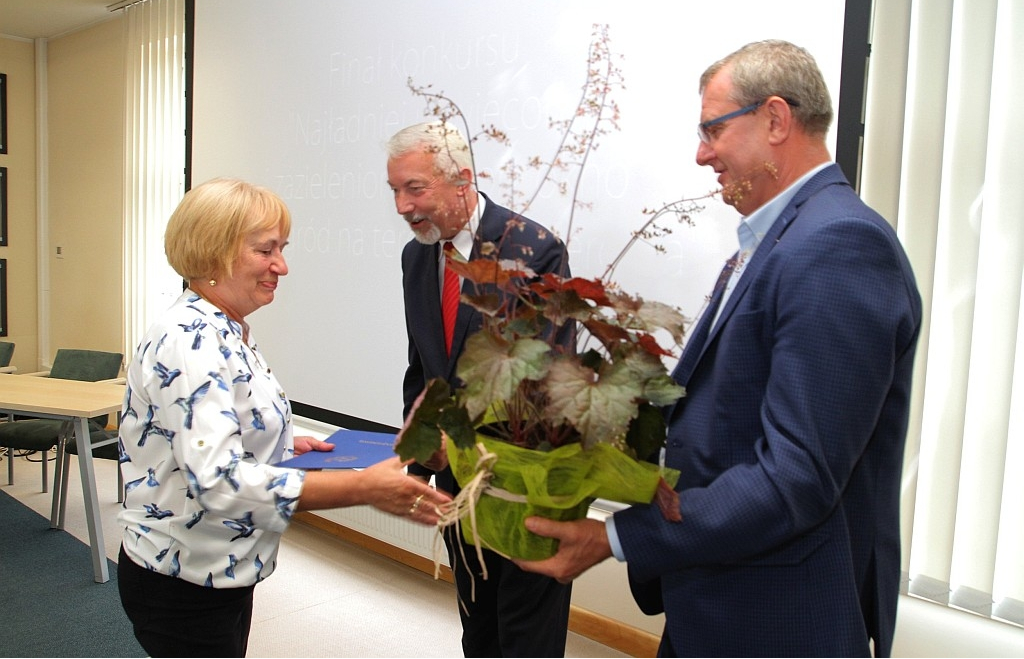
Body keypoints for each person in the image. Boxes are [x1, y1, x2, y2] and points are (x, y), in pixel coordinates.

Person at [516, 40, 923, 657]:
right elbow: (730, 411)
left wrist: (616, 538)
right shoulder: (776, 240)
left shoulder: (837, 246)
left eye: (713, 130)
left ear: (776, 119)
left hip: (776, 619)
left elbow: (797, 477)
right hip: (720, 597)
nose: (702, 154)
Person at [116, 177, 451, 658]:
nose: (282, 266)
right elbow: (220, 485)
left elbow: (213, 423)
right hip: (185, 581)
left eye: (282, 248)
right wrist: (364, 488)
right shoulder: (192, 342)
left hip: (217, 570)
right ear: (214, 252)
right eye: (265, 250)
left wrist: (283, 439)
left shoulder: (222, 328)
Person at [386, 121, 575, 657]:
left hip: (523, 487)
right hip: (456, 491)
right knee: (479, 634)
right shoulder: (416, 257)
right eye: (395, 191)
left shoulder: (533, 250)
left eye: (414, 188)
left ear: (463, 180)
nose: (402, 206)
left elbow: (541, 380)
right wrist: (422, 462)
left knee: (525, 642)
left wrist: (464, 443)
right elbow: (423, 371)